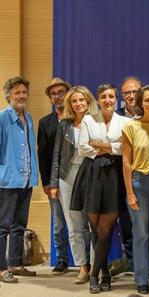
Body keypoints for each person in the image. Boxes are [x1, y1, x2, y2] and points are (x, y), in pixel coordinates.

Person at [76, 84, 130, 293]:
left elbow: (124, 148)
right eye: (103, 97)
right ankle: (105, 272)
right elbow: (83, 148)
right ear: (98, 99)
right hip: (93, 175)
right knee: (95, 230)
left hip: (114, 176)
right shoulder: (89, 119)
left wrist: (99, 144)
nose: (107, 100)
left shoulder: (125, 121)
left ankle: (93, 276)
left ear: (116, 99)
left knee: (106, 229)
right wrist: (109, 146)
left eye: (111, 96)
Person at [50, 86, 98, 284]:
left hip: (91, 176)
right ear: (70, 104)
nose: (79, 104)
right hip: (67, 178)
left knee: (93, 225)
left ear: (88, 102)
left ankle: (96, 267)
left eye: (82, 100)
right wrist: (54, 183)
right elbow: (56, 155)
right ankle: (82, 267)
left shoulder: (97, 122)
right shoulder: (65, 125)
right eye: (74, 101)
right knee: (73, 226)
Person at [122, 85, 149, 295]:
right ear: (140, 103)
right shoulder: (130, 127)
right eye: (147, 100)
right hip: (139, 182)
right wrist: (129, 192)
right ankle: (141, 278)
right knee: (141, 234)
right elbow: (125, 161)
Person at [0, 76, 38, 283]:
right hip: (8, 181)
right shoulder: (3, 118)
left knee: (19, 225)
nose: (22, 96)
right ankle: (1, 267)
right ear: (9, 96)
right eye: (17, 93)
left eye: (24, 92)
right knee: (3, 226)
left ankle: (15, 263)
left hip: (26, 180)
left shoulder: (29, 118)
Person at [38, 77, 72, 275]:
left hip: (76, 180)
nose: (58, 96)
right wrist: (45, 182)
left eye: (61, 92)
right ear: (50, 98)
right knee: (59, 223)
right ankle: (61, 259)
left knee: (79, 222)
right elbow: (42, 154)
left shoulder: (78, 118)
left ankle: (83, 260)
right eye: (54, 94)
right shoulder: (45, 123)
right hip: (54, 181)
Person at [110, 76, 142, 275]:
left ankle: (147, 261)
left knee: (148, 222)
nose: (131, 96)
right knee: (126, 220)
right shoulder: (115, 117)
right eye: (127, 93)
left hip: (148, 175)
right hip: (122, 176)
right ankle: (130, 260)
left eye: (134, 91)